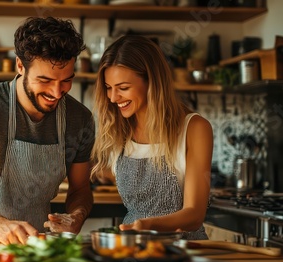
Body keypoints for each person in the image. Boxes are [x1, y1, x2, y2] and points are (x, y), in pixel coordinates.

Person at [0, 17, 95, 245]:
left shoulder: (80, 119)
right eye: (44, 80)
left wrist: (77, 215)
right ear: (20, 66)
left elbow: (80, 189)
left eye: (66, 80)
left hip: (42, 246)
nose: (56, 92)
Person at [91, 35, 213, 240]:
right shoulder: (119, 129)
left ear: (152, 82)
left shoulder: (194, 128)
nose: (113, 98)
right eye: (108, 88)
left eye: (123, 88)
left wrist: (148, 226)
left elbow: (194, 215)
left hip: (182, 253)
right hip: (132, 249)